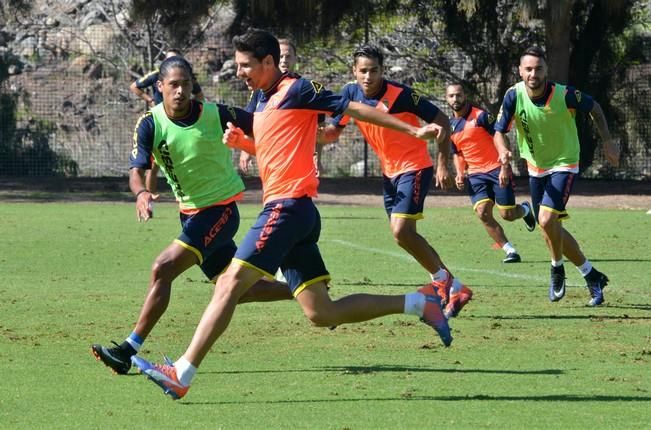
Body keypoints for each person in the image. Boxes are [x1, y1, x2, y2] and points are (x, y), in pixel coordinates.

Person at [131, 29, 453, 400]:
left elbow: (353, 108)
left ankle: (182, 372)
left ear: (268, 63)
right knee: (321, 312)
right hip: (293, 211)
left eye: (246, 65)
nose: (240, 73)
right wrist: (243, 143)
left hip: (288, 207)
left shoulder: (298, 90)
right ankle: (420, 303)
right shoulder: (260, 100)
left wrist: (412, 128)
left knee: (229, 283)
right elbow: (272, 145)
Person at [91, 56, 292, 375]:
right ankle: (302, 290)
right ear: (160, 87)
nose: (181, 91)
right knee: (239, 290)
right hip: (190, 215)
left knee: (163, 267)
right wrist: (142, 193)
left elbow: (264, 125)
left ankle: (128, 349)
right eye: (173, 85)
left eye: (186, 84)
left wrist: (285, 135)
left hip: (221, 211)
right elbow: (136, 170)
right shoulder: (149, 123)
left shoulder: (216, 113)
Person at [319, 45, 472, 318]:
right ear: (354, 72)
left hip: (415, 167)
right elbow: (332, 134)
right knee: (403, 236)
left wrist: (442, 163)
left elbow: (441, 120)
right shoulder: (350, 94)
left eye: (374, 70)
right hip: (389, 174)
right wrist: (310, 135)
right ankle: (454, 286)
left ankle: (443, 283)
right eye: (363, 71)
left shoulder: (401, 95)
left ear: (382, 70)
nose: (368, 76)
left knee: (402, 230)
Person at [493, 46, 619, 305]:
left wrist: (607, 141)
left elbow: (594, 107)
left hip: (564, 162)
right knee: (549, 226)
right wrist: (503, 151)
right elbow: (499, 131)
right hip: (535, 166)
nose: (533, 74)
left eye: (538, 69)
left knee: (546, 218)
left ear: (546, 70)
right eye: (528, 69)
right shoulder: (513, 95)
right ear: (520, 71)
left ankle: (556, 268)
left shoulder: (564, 95)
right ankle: (591, 275)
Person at [445, 83, 536, 263]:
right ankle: (510, 250)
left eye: (459, 95)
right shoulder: (450, 126)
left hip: (496, 169)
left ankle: (525, 210)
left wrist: (504, 167)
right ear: (447, 99)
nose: (456, 99)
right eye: (451, 96)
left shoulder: (481, 117)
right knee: (482, 213)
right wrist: (460, 173)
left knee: (507, 215)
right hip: (475, 175)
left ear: (465, 95)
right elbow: (457, 153)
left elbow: (501, 138)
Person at [238, 37, 328, 175]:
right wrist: (245, 151)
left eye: (288, 56)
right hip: (273, 162)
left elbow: (320, 126)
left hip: (298, 162)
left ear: (295, 59)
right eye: (281, 56)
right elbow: (249, 121)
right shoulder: (260, 89)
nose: (284, 60)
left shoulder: (306, 89)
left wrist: (317, 157)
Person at [130, 49, 205, 200]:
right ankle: (148, 198)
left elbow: (199, 94)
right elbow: (134, 86)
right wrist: (149, 100)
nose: (179, 89)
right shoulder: (156, 74)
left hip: (180, 124)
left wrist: (197, 109)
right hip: (161, 124)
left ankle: (190, 195)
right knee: (151, 165)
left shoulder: (186, 78)